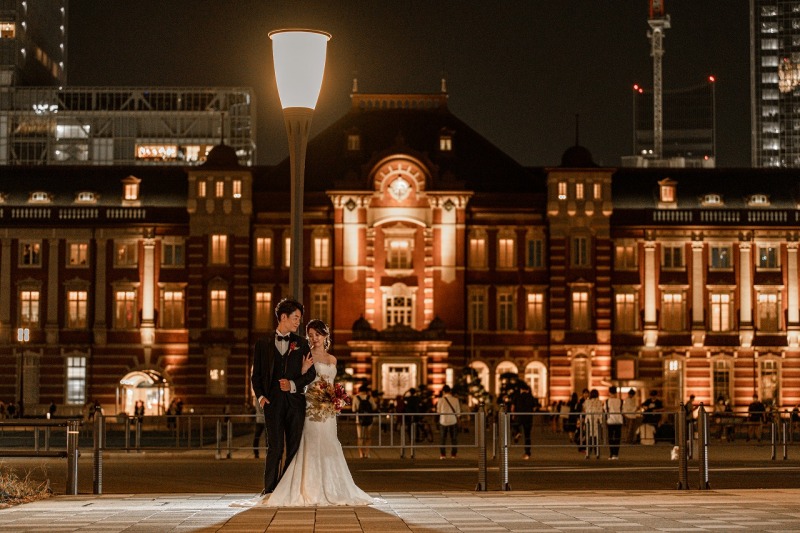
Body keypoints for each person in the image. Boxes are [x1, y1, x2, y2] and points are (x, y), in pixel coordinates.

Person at [261, 319, 377, 507]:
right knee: (311, 443)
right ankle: (309, 487)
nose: (314, 338)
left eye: (317, 334)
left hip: (328, 411)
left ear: (325, 336)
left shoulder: (333, 360)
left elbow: (331, 383)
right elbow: (298, 380)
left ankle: (334, 486)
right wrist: (304, 369)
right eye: (311, 335)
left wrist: (336, 397)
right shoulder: (305, 356)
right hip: (311, 407)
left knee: (330, 443)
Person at [251, 298, 317, 496]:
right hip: (272, 403)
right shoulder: (262, 344)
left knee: (294, 446)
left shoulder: (302, 344)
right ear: (283, 317)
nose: (298, 322)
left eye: (299, 318)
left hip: (295, 403)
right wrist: (261, 397)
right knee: (275, 446)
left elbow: (311, 374)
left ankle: (286, 487)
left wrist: (294, 384)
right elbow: (256, 375)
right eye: (295, 318)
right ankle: (269, 488)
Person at [436, 385, 461, 459]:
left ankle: (443, 455)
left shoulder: (440, 400)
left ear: (443, 391)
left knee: (443, 438)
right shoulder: (455, 399)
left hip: (443, 421)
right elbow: (458, 412)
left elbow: (438, 411)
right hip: (453, 420)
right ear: (450, 391)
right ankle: (453, 454)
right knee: (454, 438)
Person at [512, 386, 536, 459]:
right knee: (527, 436)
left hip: (519, 416)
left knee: (515, 425)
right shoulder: (531, 397)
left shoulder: (517, 396)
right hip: (528, 417)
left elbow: (513, 407)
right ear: (528, 390)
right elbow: (534, 407)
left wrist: (513, 415)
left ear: (521, 389)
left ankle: (518, 432)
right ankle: (527, 453)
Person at [353, 385, 377, 458]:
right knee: (368, 436)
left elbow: (353, 409)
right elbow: (374, 407)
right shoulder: (370, 398)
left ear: (359, 390)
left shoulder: (355, 398)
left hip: (359, 419)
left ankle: (361, 453)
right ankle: (367, 453)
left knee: (360, 437)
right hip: (369, 419)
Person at [605, 386, 624, 460]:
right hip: (619, 421)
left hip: (610, 421)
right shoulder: (620, 401)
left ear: (609, 392)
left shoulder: (607, 401)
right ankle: (616, 454)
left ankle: (611, 453)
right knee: (617, 438)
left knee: (610, 438)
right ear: (616, 392)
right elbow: (623, 410)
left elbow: (606, 411)